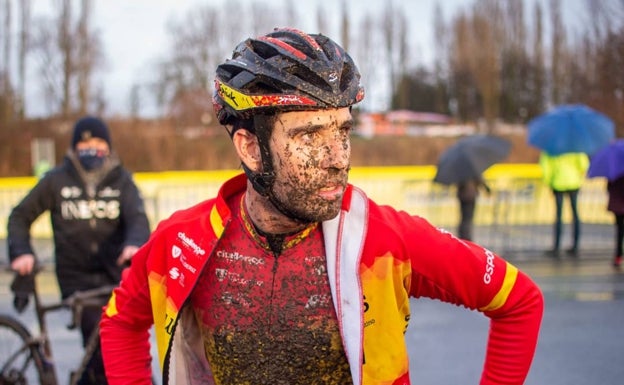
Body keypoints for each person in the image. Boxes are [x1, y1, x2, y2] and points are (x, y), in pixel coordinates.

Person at [100, 28, 543, 385]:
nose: (339, 158)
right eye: (310, 136)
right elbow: (120, 322)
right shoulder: (183, 240)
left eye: (343, 131)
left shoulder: (385, 239)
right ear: (251, 148)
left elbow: (519, 300)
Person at [7, 116, 151, 385]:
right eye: (85, 142)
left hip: (115, 276)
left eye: (97, 142)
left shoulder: (122, 181)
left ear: (107, 146)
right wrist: (22, 252)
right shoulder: (56, 180)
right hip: (76, 279)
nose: (91, 147)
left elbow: (138, 219)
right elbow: (19, 216)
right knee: (103, 343)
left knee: (121, 345)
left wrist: (135, 245)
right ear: (74, 147)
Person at [539, 151, 590, 257]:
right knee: (575, 214)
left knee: (559, 216)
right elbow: (584, 165)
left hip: (558, 183)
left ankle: (557, 245)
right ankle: (575, 244)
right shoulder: (575, 147)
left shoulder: (551, 147)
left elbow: (545, 167)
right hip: (574, 182)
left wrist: (549, 182)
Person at [456, 176, 491, 241]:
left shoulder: (460, 171)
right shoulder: (472, 171)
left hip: (462, 196)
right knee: (468, 218)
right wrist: (487, 188)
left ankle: (463, 235)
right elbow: (479, 179)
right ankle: (466, 237)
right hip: (471, 196)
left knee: (464, 218)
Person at [607, 175, 624, 268]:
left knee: (620, 230)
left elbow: (608, 187)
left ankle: (618, 255)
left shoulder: (614, 171)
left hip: (617, 204)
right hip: (619, 204)